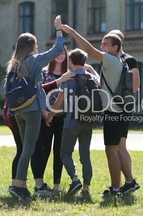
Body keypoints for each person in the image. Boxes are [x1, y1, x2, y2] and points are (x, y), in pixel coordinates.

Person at [60, 24, 128, 197]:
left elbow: (88, 49)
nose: (102, 47)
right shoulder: (119, 62)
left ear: (116, 47)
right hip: (119, 110)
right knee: (113, 149)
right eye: (102, 44)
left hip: (113, 112)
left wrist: (72, 32)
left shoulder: (111, 60)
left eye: (106, 44)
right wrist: (90, 69)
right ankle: (117, 187)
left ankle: (115, 189)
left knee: (111, 150)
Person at [6, 15, 65, 201]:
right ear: (32, 46)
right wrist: (58, 29)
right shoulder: (34, 60)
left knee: (25, 149)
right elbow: (58, 49)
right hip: (31, 112)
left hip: (17, 111)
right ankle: (18, 186)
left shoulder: (13, 64)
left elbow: (26, 88)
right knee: (29, 149)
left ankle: (19, 185)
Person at [3, 74, 74, 198]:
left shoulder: (14, 71)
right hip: (25, 113)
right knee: (32, 149)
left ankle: (16, 184)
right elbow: (39, 90)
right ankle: (30, 186)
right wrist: (58, 81)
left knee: (22, 150)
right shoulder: (31, 68)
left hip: (12, 113)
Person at [46, 48, 98, 196]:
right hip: (88, 121)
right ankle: (86, 188)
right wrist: (91, 70)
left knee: (65, 153)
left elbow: (58, 103)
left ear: (70, 62)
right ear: (84, 62)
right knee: (85, 155)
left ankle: (75, 179)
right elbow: (100, 83)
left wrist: (50, 116)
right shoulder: (92, 79)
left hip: (71, 122)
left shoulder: (68, 79)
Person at [107, 30, 140, 194]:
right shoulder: (114, 60)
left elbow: (135, 86)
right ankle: (127, 183)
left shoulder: (128, 60)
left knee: (118, 146)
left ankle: (126, 182)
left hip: (122, 106)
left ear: (117, 43)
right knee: (121, 146)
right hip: (120, 106)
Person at [35, 46, 69, 196]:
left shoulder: (68, 74)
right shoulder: (43, 73)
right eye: (58, 52)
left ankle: (56, 184)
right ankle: (40, 183)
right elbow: (39, 90)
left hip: (63, 117)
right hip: (46, 118)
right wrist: (46, 114)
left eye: (64, 53)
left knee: (59, 151)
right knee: (45, 149)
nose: (61, 55)